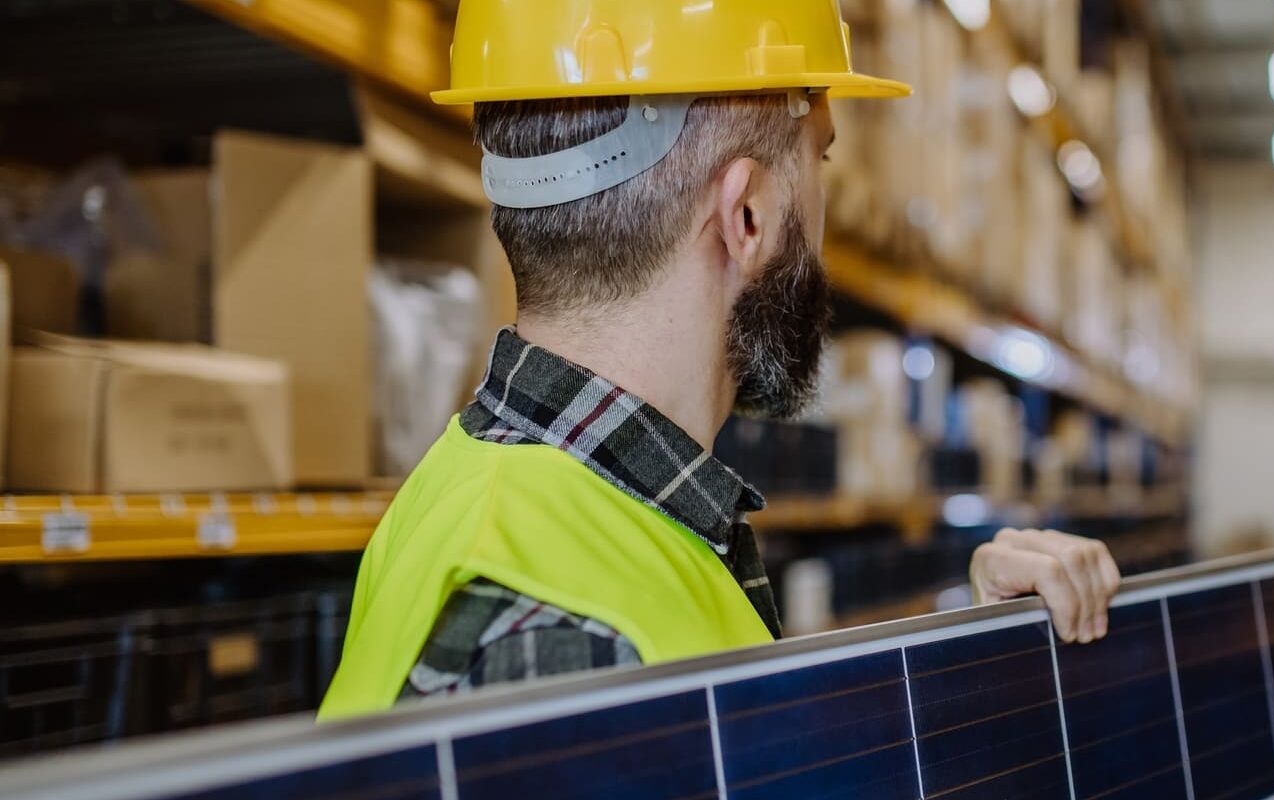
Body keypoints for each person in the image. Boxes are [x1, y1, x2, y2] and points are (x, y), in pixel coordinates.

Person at [319, 0, 1120, 720]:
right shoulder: (565, 657)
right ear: (747, 217)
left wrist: (973, 662)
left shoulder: (486, 496)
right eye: (821, 160)